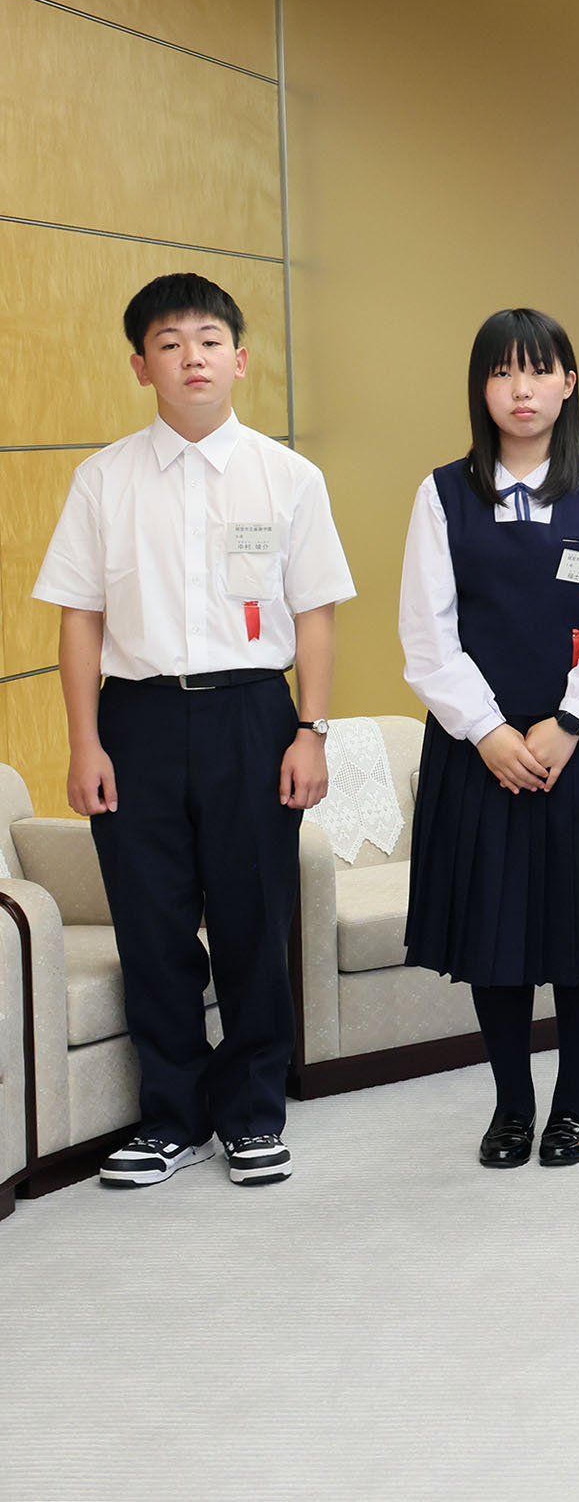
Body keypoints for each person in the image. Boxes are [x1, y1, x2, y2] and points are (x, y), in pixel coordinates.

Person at [34, 273, 354, 1188]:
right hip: (135, 719)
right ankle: (172, 1117)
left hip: (253, 714)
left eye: (209, 341)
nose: (192, 359)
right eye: (169, 345)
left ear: (239, 360)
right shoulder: (102, 479)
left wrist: (311, 730)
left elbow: (317, 615)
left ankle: (251, 1113)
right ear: (142, 367)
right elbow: (80, 621)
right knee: (152, 923)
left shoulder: (289, 477)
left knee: (253, 920)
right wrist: (85, 741)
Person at [398, 309, 579, 1169]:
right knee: (495, 937)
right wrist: (489, 732)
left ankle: (576, 1099)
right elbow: (427, 635)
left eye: (539, 370)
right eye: (503, 372)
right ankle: (512, 1104)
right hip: (481, 752)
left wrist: (570, 721)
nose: (522, 389)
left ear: (568, 384)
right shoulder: (442, 494)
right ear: (481, 388)